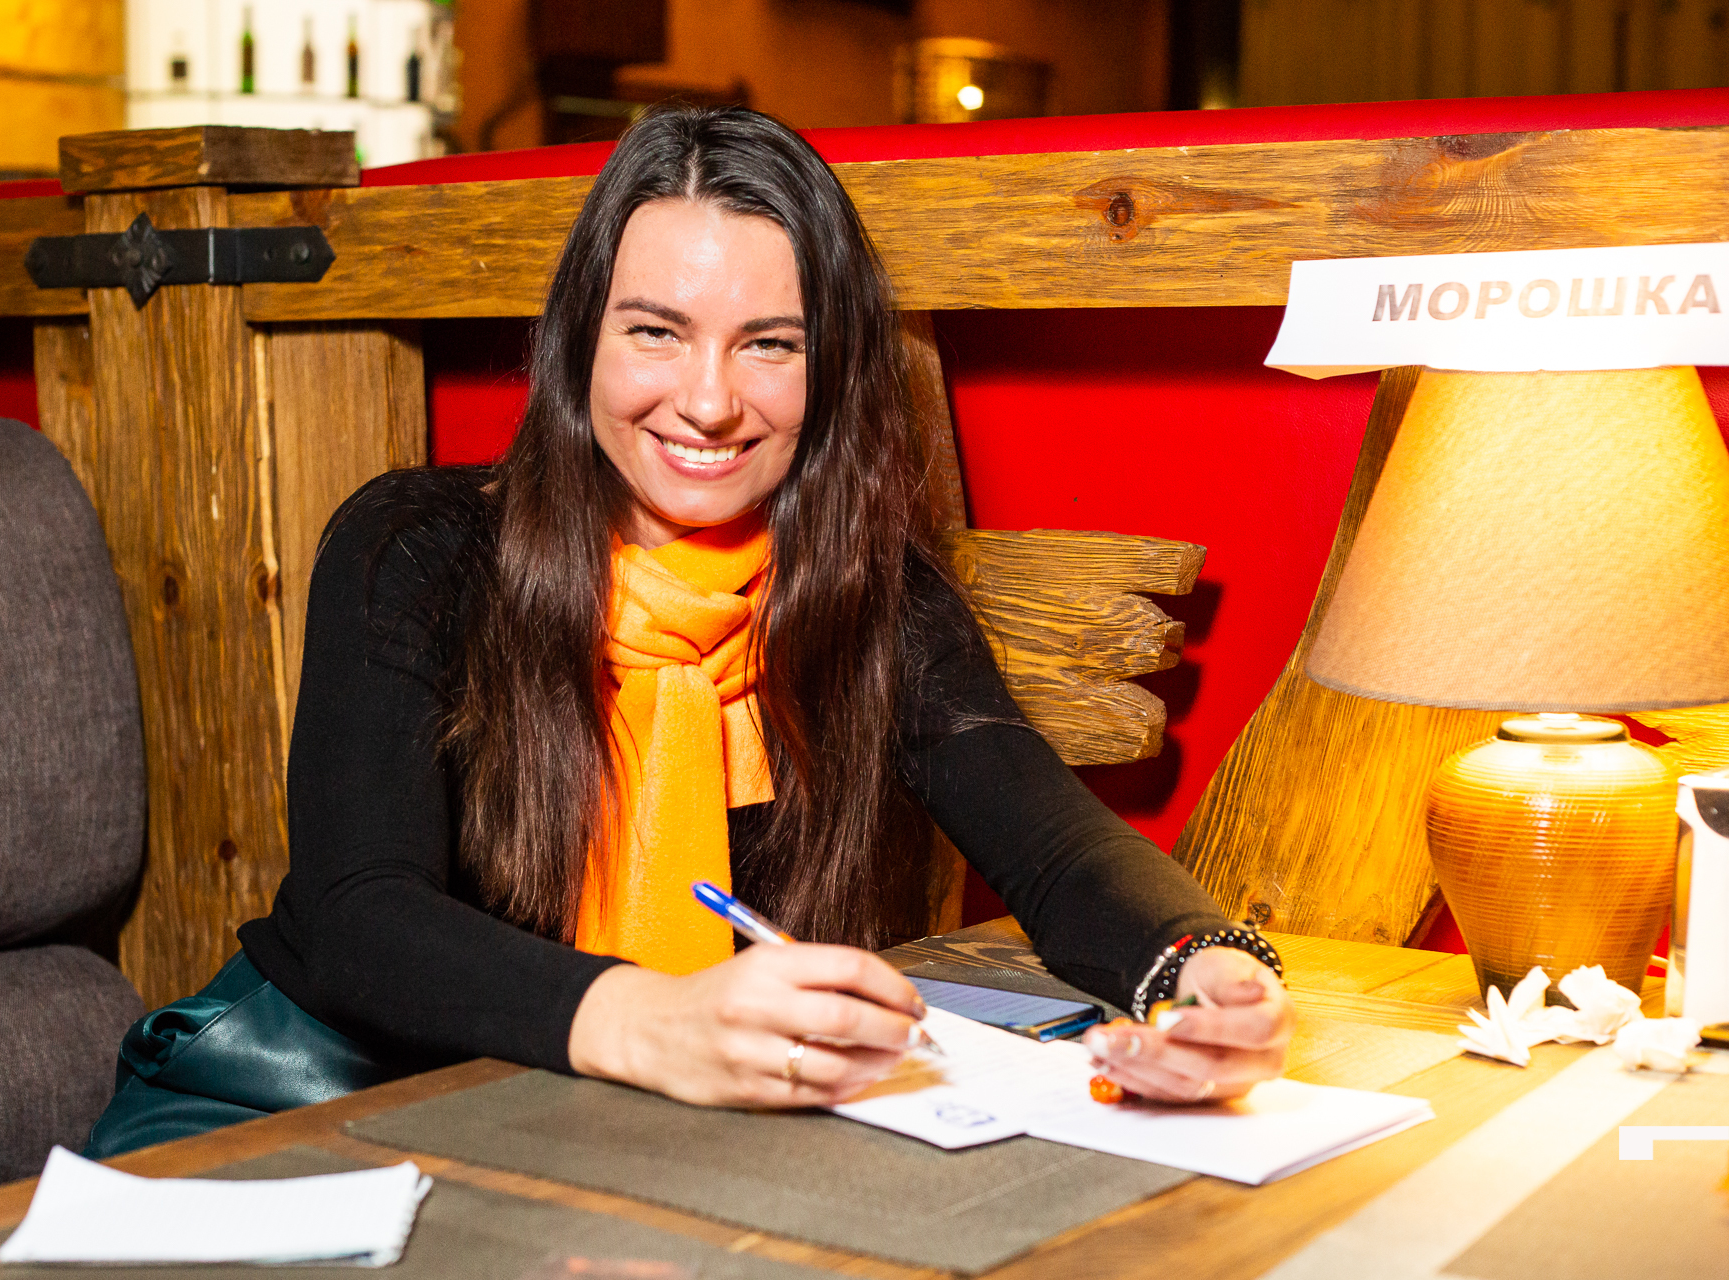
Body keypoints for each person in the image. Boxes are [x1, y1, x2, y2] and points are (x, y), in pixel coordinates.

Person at [85, 105, 1293, 1158]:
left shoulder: (871, 600)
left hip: (587, 1139)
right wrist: (657, 1019)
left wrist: (1210, 974)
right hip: (291, 1099)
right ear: (581, 342)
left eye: (769, 343)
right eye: (656, 331)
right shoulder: (416, 545)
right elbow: (359, 914)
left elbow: (1059, 851)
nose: (710, 400)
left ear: (830, 371)